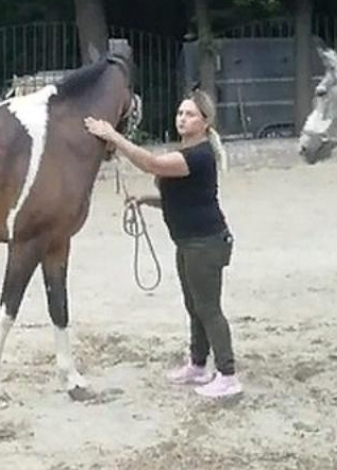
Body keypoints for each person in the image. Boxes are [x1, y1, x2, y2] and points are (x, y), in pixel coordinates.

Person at [84, 89, 242, 399]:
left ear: (205, 122)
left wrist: (113, 136)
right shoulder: (187, 153)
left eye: (190, 115)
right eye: (181, 113)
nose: (183, 119)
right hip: (190, 242)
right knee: (194, 306)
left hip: (205, 243)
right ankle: (198, 365)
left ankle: (227, 374)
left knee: (208, 309)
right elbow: (183, 199)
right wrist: (146, 200)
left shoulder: (195, 156)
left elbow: (152, 164)